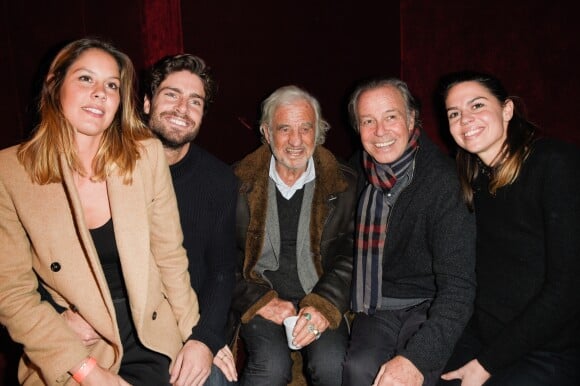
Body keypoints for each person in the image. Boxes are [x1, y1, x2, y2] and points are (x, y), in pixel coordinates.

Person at [0, 38, 199, 385]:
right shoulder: (10, 172)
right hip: (73, 340)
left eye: (111, 85)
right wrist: (87, 371)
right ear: (54, 86)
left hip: (147, 330)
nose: (100, 93)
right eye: (85, 79)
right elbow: (12, 292)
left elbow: (170, 257)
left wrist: (195, 335)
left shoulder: (146, 156)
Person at [437, 71, 580, 386]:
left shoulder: (554, 164)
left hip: (551, 347)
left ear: (507, 110)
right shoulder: (471, 179)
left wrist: (486, 364)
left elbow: (567, 290)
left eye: (477, 105)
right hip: (487, 336)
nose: (465, 119)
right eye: (454, 113)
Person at [341, 77, 476, 386]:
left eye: (391, 116)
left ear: (412, 118)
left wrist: (416, 360)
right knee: (358, 370)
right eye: (367, 121)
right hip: (376, 304)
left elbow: (458, 289)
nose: (380, 131)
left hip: (432, 301)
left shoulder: (443, 182)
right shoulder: (353, 174)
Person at [231, 85, 357, 386]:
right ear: (266, 131)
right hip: (262, 295)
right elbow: (220, 258)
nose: (296, 141)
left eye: (305, 128)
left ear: (319, 131)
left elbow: (354, 254)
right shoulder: (234, 184)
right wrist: (260, 300)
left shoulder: (347, 184)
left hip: (322, 293)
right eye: (284, 128)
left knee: (331, 365)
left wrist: (324, 304)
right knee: (270, 367)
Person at [142, 54, 239, 385]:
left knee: (216, 380)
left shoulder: (220, 181)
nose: (182, 108)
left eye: (194, 101)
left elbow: (223, 271)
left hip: (190, 321)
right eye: (171, 95)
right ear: (145, 103)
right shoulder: (112, 169)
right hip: (128, 325)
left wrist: (206, 337)